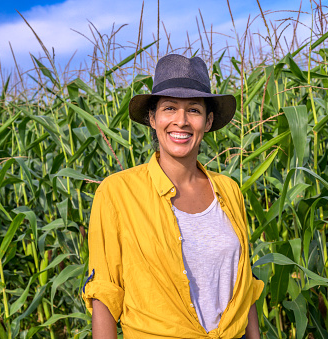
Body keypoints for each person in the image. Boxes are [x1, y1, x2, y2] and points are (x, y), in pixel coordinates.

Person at [81, 54, 264, 339]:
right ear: (153, 119)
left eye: (193, 110)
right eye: (169, 108)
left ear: (208, 120)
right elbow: (104, 292)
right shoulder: (117, 192)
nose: (181, 121)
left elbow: (244, 284)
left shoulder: (228, 189)